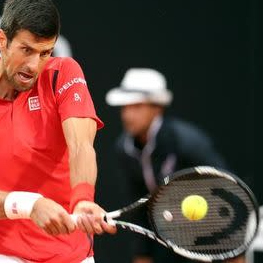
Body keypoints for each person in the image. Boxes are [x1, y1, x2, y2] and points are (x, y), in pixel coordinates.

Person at [0, 0, 116, 263]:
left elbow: (81, 145)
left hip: (71, 257)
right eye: (26, 50)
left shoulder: (62, 74)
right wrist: (29, 205)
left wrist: (82, 198)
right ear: (1, 41)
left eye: (45, 53)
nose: (34, 65)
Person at [103, 68, 244, 263]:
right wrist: (143, 254)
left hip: (210, 238)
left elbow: (230, 192)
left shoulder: (188, 143)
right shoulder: (124, 149)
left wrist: (233, 251)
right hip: (168, 239)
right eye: (125, 107)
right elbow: (140, 205)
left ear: (157, 108)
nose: (127, 114)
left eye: (137, 106)